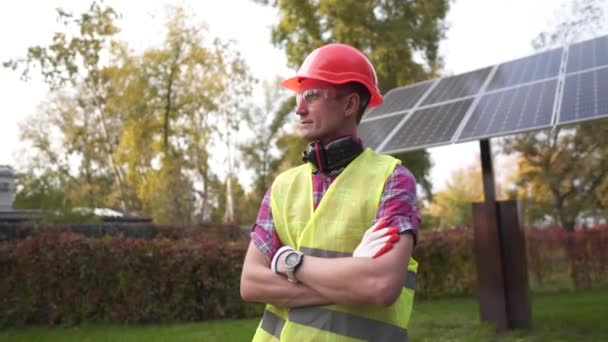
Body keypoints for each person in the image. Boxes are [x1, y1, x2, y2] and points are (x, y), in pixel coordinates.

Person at [240, 43, 420, 342]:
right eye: (299, 96)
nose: (298, 108)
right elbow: (251, 283)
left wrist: (287, 261)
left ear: (350, 104)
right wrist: (350, 279)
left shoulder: (393, 179)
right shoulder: (283, 185)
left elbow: (379, 285)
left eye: (311, 95)